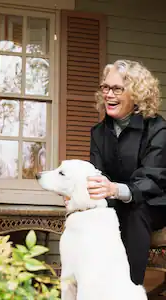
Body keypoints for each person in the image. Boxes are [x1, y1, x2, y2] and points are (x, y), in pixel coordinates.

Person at [87, 59, 166, 285]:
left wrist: (115, 189)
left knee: (135, 210)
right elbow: (97, 173)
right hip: (116, 200)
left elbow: (153, 179)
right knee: (93, 213)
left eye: (117, 89)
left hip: (154, 202)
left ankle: (130, 289)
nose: (108, 95)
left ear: (136, 93)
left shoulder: (157, 128)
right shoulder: (99, 132)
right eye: (105, 88)